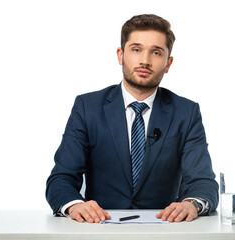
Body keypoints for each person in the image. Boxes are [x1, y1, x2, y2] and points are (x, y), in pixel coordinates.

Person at [46, 14, 219, 223]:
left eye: (156, 52)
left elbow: (203, 181)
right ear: (120, 55)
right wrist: (75, 205)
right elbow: (61, 178)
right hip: (99, 229)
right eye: (136, 50)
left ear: (168, 63)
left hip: (164, 230)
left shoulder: (186, 112)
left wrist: (192, 203)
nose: (145, 61)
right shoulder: (87, 107)